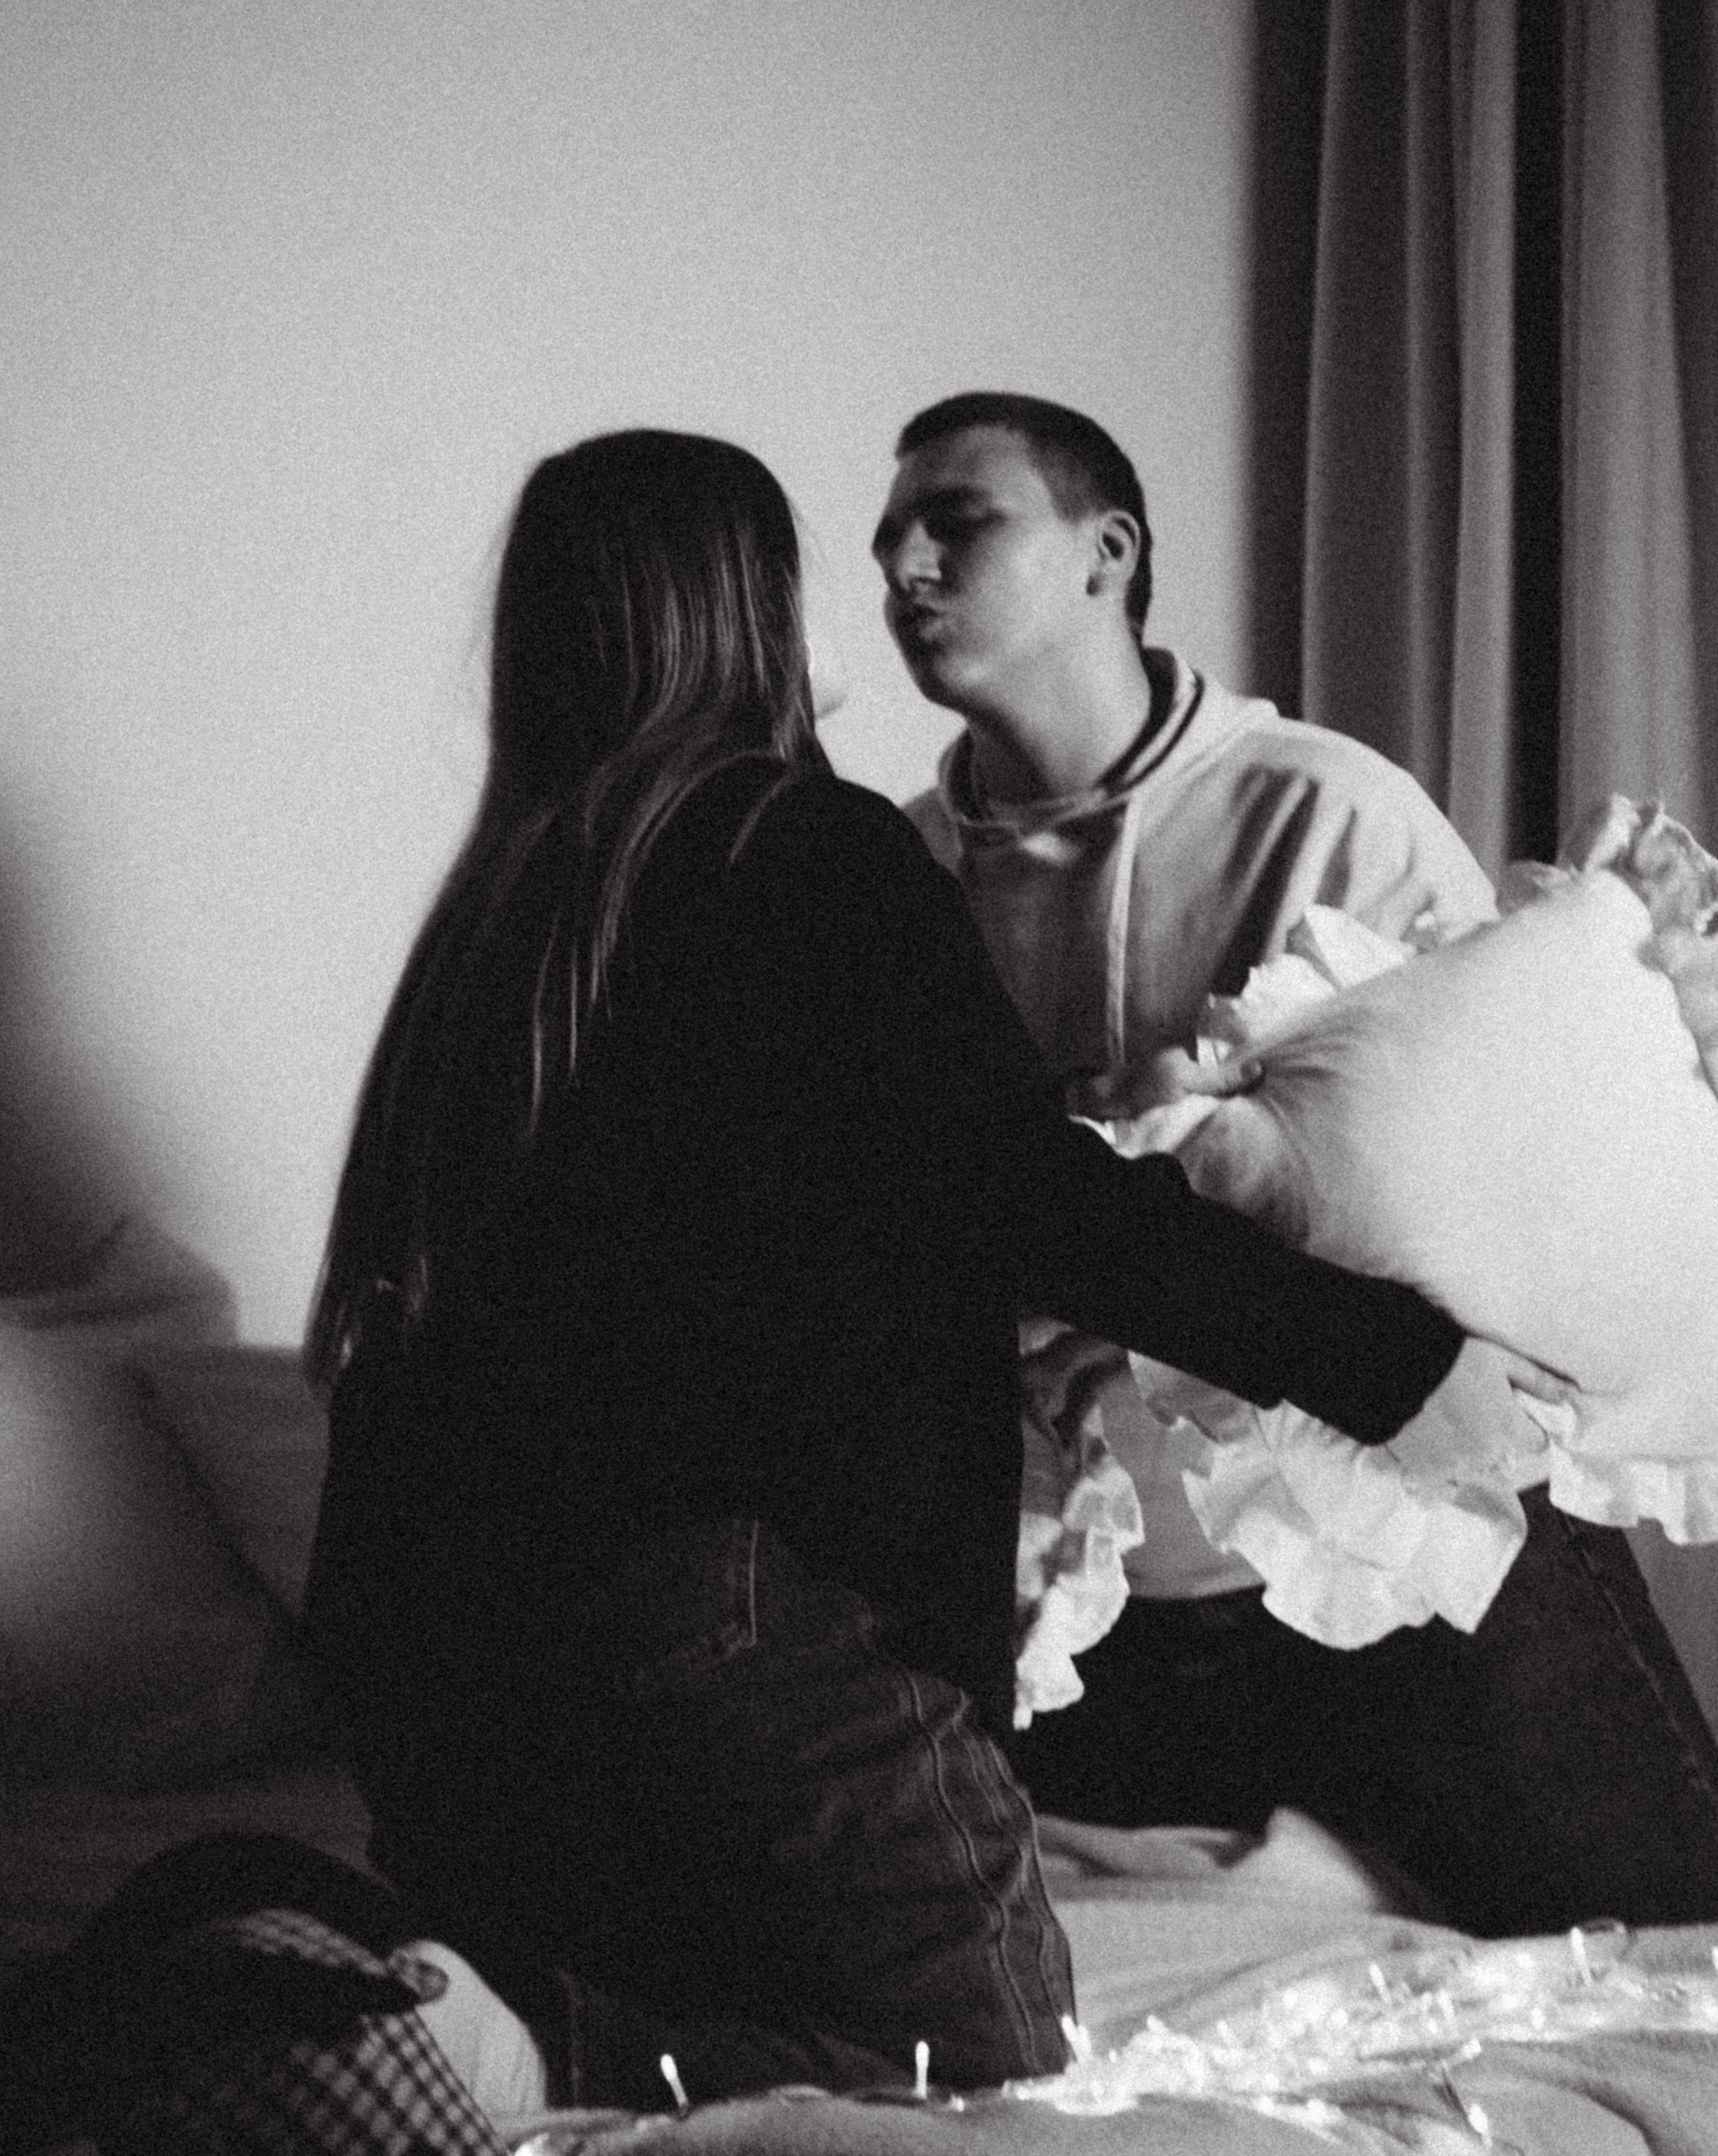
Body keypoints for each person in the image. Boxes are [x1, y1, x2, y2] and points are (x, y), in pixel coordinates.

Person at [286, 427, 1544, 2117]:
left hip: (433, 1672)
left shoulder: (501, 917)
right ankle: (524, 2046)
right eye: (824, 566)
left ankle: (412, 1988)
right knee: (983, 2068)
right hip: (705, 1627)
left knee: (706, 1980)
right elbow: (1030, 1194)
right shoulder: (794, 849)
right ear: (741, 607)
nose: (882, 587)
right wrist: (1395, 1367)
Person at [874, 387, 1718, 1941]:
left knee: (1681, 1947)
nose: (906, 569)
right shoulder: (890, 880)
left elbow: (1504, 1199)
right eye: (890, 542)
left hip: (1410, 1545)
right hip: (1101, 1612)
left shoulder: (1327, 808)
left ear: (1105, 553)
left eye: (958, 523)